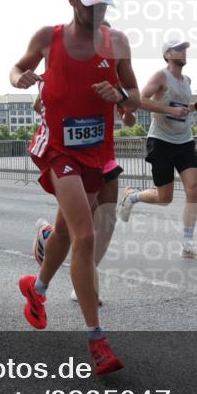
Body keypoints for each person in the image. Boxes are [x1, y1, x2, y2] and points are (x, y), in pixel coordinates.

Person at [10, 0, 140, 376]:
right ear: (72, 0)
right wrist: (22, 78)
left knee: (67, 230)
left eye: (104, 4)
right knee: (85, 234)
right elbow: (16, 69)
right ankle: (97, 340)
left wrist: (119, 94)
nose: (98, 12)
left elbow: (133, 96)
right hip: (58, 148)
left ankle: (38, 286)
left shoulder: (117, 42)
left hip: (98, 152)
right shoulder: (48, 37)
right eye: (90, 5)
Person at [32, 91, 138, 305]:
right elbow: (38, 105)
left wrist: (127, 113)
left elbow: (129, 116)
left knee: (107, 222)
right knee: (74, 226)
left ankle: (82, 279)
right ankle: (49, 239)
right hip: (73, 158)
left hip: (105, 156)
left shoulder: (110, 74)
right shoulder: (67, 66)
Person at [116, 38, 197, 260]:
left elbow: (180, 109)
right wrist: (167, 108)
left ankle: (188, 245)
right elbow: (139, 100)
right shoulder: (161, 76)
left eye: (185, 49)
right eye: (179, 49)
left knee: (194, 187)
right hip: (161, 140)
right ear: (167, 54)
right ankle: (132, 197)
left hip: (184, 140)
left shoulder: (187, 80)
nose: (183, 52)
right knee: (164, 197)